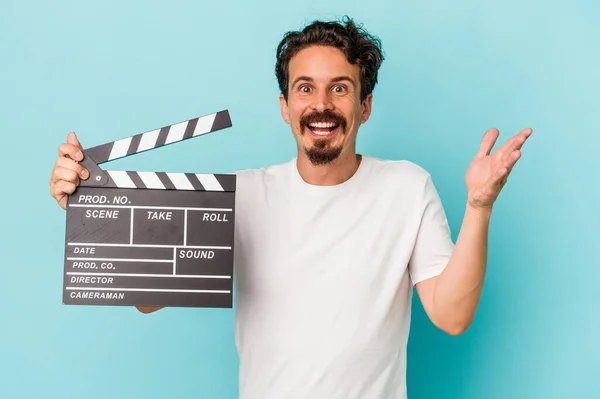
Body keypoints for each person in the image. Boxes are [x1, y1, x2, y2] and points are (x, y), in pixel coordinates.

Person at [48, 16, 532, 399]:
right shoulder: (239, 195)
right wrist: (91, 204)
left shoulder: (406, 186)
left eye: (340, 88)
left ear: (364, 106)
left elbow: (451, 316)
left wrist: (479, 205)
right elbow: (148, 297)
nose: (321, 104)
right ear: (285, 105)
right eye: (306, 88)